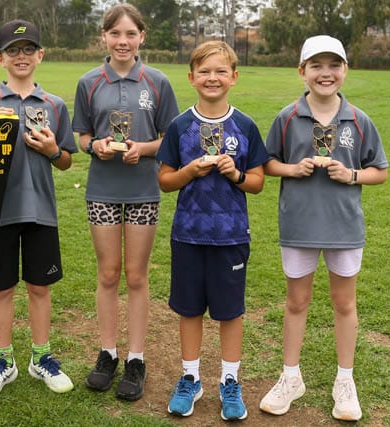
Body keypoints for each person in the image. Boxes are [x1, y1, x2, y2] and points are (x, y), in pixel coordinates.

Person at [258, 35, 389, 422]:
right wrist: (292, 168)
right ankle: (290, 377)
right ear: (302, 71)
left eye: (334, 65)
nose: (325, 73)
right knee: (296, 303)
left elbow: (379, 171)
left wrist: (351, 175)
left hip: (343, 228)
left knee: (344, 303)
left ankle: (345, 381)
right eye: (316, 65)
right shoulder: (287, 117)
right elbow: (267, 163)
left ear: (345, 70)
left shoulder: (359, 120)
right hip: (298, 225)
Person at [71, 3, 180, 401]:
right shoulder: (89, 82)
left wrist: (143, 149)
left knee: (136, 276)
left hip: (142, 191)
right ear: (104, 37)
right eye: (115, 33)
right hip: (102, 189)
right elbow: (81, 135)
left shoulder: (157, 81)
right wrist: (95, 146)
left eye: (130, 34)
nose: (122, 41)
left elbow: (170, 137)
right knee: (107, 274)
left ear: (141, 37)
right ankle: (107, 353)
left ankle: (136, 358)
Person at [156, 41, 268, 421]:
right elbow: (165, 181)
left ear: (234, 77)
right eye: (204, 71)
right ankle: (190, 378)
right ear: (191, 78)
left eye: (221, 71)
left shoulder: (245, 126)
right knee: (189, 309)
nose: (212, 78)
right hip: (188, 234)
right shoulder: (180, 125)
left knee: (229, 312)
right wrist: (189, 171)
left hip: (230, 236)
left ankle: (229, 381)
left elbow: (257, 182)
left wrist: (234, 173)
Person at [0, 19, 77, 399]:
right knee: (1, 289)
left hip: (40, 209)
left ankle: (41, 357)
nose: (21, 56)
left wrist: (51, 150)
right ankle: (4, 361)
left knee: (39, 287)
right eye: (13, 50)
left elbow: (65, 161)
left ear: (40, 55)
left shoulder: (54, 105)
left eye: (28, 49)